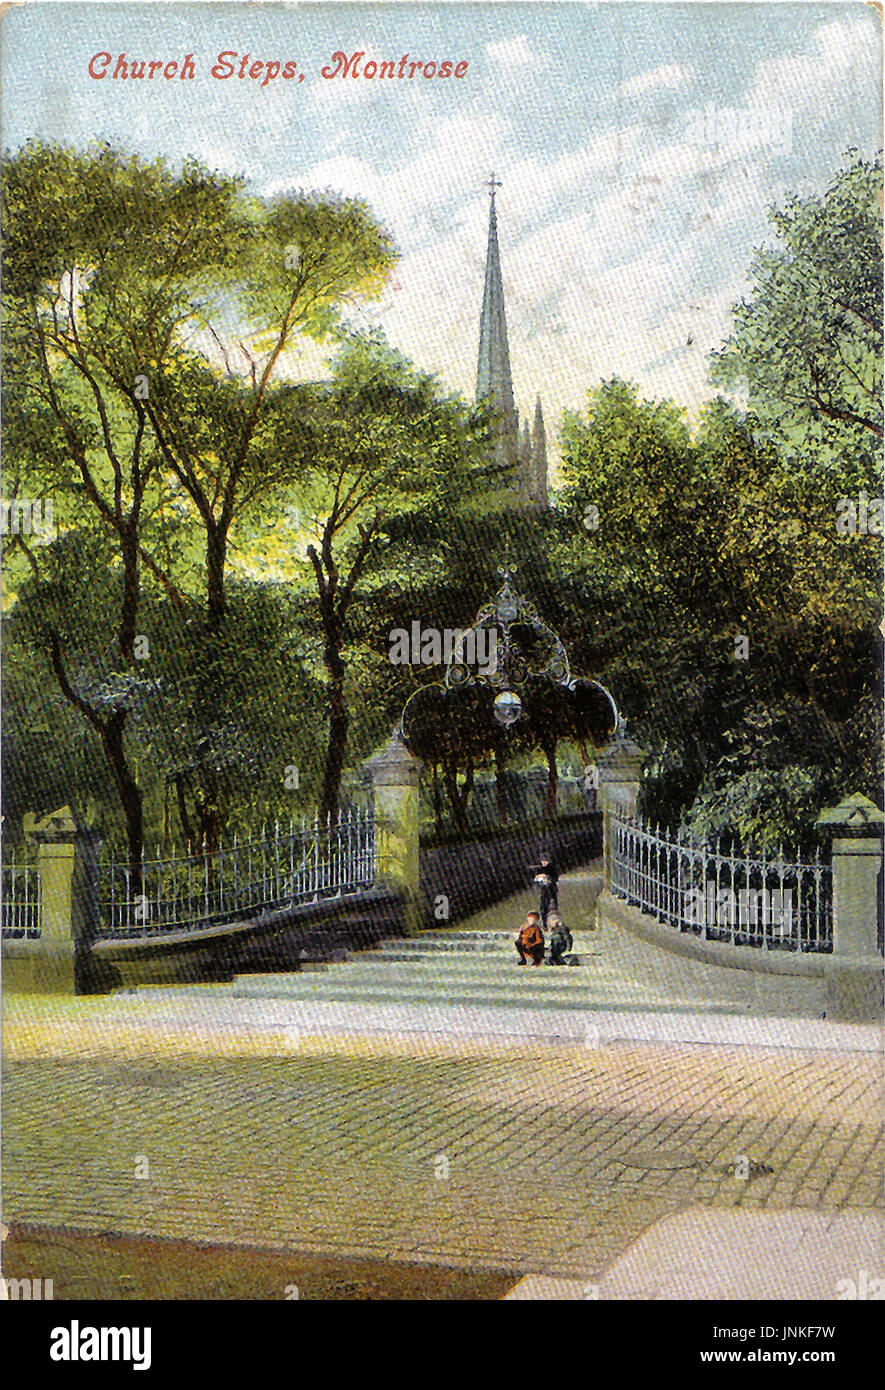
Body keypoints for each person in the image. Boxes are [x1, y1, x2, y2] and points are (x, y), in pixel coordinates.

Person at [531, 854, 560, 926]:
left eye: (546, 861)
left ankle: (554, 924)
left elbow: (555, 879)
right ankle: (544, 923)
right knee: (543, 908)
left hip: (551, 890)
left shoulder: (552, 868)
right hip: (542, 891)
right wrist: (537, 880)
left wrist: (548, 879)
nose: (544, 863)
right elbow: (534, 880)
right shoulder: (538, 869)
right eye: (542, 861)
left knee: (553, 907)